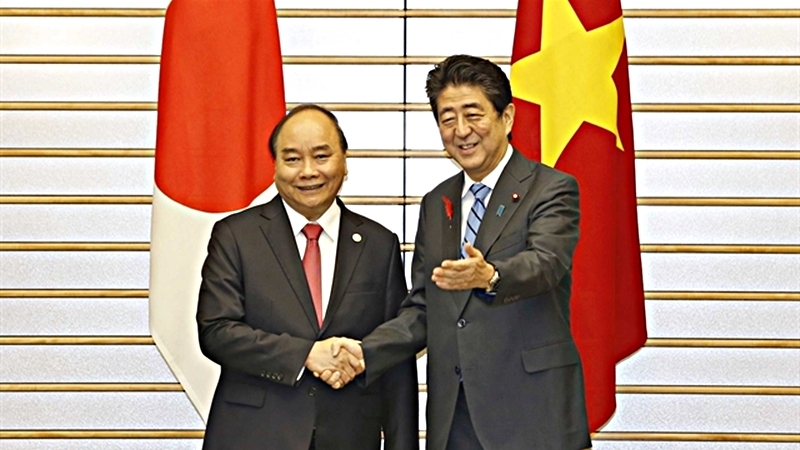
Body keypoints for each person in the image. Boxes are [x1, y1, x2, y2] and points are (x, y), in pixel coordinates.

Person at [328, 54, 591, 449]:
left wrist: (492, 276)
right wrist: (366, 352)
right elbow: (424, 306)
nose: (461, 130)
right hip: (455, 418)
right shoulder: (437, 203)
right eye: (447, 119)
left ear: (507, 117)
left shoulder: (551, 188)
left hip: (533, 414)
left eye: (473, 114)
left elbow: (546, 264)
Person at [196, 104, 418, 450]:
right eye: (292, 159)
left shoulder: (379, 244)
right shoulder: (236, 236)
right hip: (253, 436)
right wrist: (305, 354)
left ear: (344, 161)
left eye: (321, 156)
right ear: (275, 166)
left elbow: (395, 357)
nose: (308, 171)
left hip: (349, 437)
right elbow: (216, 331)